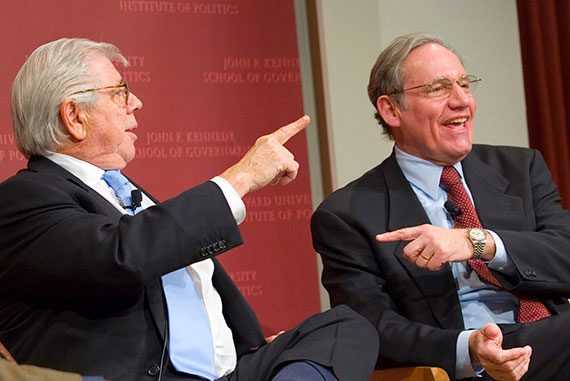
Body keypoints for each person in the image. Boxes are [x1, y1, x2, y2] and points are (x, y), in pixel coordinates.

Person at [0, 38, 379, 381]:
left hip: (227, 372)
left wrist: (255, 348)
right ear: (75, 117)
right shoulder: (24, 199)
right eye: (120, 92)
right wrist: (240, 178)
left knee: (344, 328)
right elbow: (121, 256)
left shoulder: (129, 194)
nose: (136, 103)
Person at [311, 32, 570, 380]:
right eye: (438, 88)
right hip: (470, 364)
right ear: (391, 110)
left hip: (553, 342)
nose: (462, 101)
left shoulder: (521, 168)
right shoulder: (349, 214)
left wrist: (481, 243)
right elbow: (372, 329)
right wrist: (470, 348)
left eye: (465, 84)